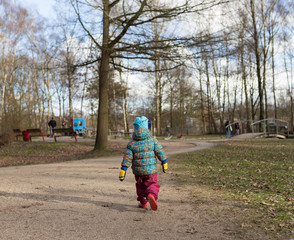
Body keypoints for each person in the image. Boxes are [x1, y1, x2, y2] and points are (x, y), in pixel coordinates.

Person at [119, 116, 168, 211]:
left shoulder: (131, 143)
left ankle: (143, 203)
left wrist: (123, 169)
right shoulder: (153, 140)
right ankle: (151, 194)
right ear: (147, 128)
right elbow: (160, 152)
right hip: (151, 171)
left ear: (135, 129)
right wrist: (164, 161)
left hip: (138, 172)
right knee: (152, 184)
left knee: (140, 186)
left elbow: (127, 158)